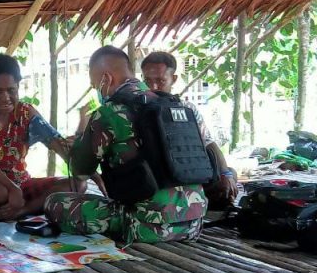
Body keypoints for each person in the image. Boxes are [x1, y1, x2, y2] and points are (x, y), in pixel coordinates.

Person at [45, 46, 208, 244]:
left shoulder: (109, 112)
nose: (98, 91)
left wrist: (81, 137)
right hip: (194, 223)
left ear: (106, 79)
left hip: (147, 226)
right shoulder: (176, 105)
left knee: (55, 203)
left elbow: (80, 171)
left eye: (96, 85)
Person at [0, 53, 79, 221]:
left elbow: (54, 141)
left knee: (77, 184)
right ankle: (18, 205)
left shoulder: (26, 112)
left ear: (18, 87)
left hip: (21, 185)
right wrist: (12, 188)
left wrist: (81, 166)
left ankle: (21, 211)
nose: (5, 98)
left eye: (11, 90)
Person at [140, 51, 239, 208]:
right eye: (147, 81)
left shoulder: (187, 109)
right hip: (156, 182)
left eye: (160, 80)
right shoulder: (138, 108)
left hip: (188, 176)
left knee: (229, 176)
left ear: (174, 79)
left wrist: (225, 174)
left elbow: (209, 143)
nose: (153, 87)